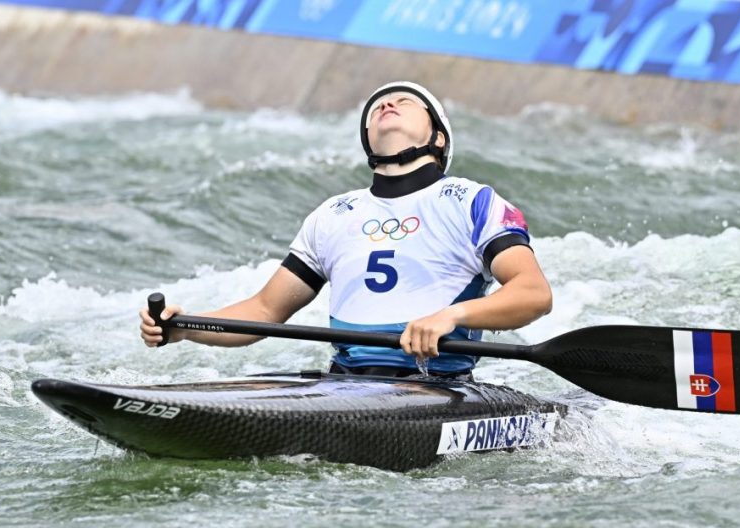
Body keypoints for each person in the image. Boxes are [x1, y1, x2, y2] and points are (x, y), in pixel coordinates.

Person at [140, 81, 552, 378]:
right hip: (345, 382)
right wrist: (186, 327)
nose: (387, 104)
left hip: (436, 385)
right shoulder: (333, 214)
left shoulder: (473, 200)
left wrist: (452, 315)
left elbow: (533, 293)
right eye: (377, 107)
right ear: (367, 141)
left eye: (404, 101)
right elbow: (264, 311)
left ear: (439, 138)